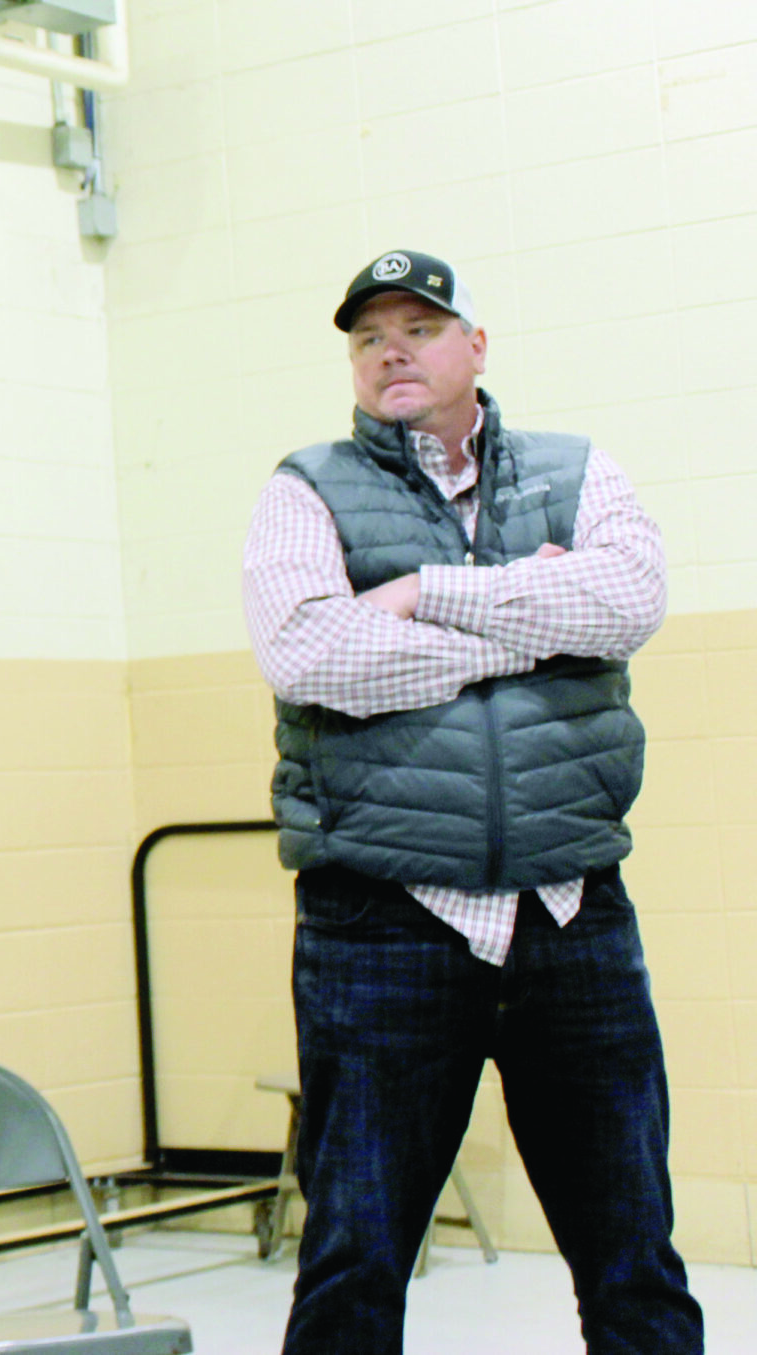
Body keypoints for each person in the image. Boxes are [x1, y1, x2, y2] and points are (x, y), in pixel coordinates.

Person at [244, 249, 701, 1355]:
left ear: (476, 347)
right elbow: (312, 654)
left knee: (634, 1261)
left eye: (418, 328)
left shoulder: (576, 470)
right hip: (381, 923)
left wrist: (424, 593)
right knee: (352, 1264)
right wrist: (529, 629)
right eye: (368, 337)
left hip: (570, 911)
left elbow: (629, 596)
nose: (390, 351)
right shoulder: (305, 488)